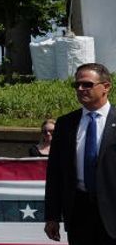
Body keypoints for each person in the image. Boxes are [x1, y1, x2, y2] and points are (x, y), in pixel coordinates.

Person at [44, 63, 116, 243]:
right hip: (79, 213)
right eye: (77, 85)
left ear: (106, 87)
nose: (81, 89)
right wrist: (52, 216)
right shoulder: (65, 123)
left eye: (87, 84)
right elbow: (55, 173)